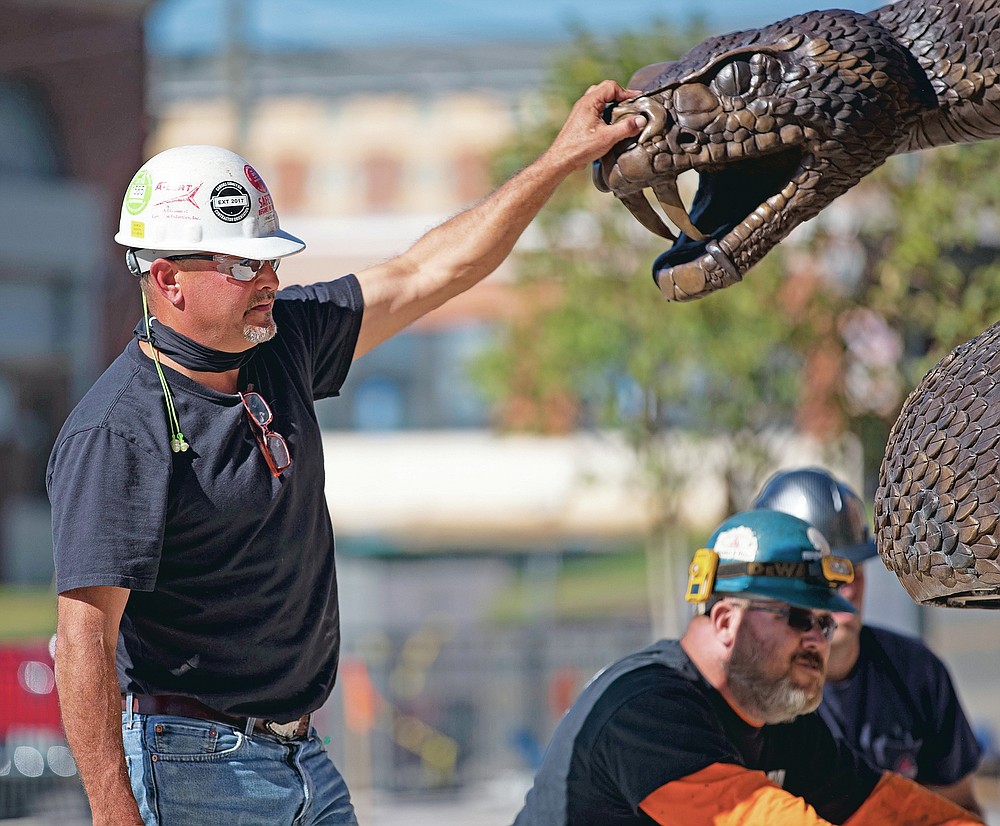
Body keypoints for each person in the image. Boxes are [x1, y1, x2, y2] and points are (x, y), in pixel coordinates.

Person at [46, 81, 647, 826]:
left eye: (269, 261)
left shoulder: (284, 342)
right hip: (193, 763)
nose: (269, 280)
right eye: (242, 265)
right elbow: (83, 636)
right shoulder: (118, 431)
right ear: (167, 279)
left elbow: (432, 270)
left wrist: (558, 160)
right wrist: (113, 811)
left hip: (302, 753)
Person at [512, 509, 984, 826]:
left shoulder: (781, 721)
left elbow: (890, 811)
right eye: (798, 617)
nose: (818, 638)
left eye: (824, 622)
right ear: (724, 620)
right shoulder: (646, 709)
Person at [752, 467, 984, 817]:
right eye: (828, 572)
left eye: (855, 568)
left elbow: (959, 810)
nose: (849, 587)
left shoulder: (915, 673)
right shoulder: (753, 692)